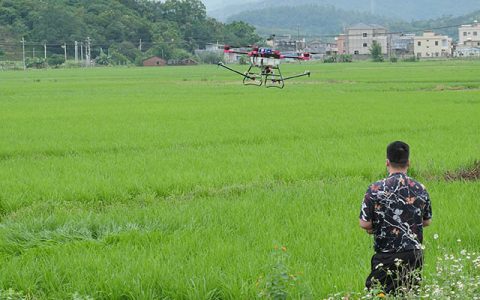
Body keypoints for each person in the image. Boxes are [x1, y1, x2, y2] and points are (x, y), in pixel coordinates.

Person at [359, 141, 432, 295]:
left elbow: (364, 223)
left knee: (379, 294)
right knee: (410, 294)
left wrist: (376, 227)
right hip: (414, 255)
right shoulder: (420, 188)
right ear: (408, 163)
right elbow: (426, 221)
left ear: (387, 162)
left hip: (386, 255)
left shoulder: (375, 189)